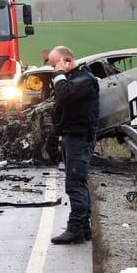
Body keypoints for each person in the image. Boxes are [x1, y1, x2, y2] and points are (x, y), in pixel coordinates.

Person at [47, 46, 99, 245]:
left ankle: (75, 229)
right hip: (71, 136)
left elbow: (64, 95)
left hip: (79, 137)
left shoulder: (85, 80)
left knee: (75, 183)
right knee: (77, 182)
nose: (53, 70)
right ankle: (84, 228)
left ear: (66, 60)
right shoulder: (75, 79)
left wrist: (60, 73)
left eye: (54, 65)